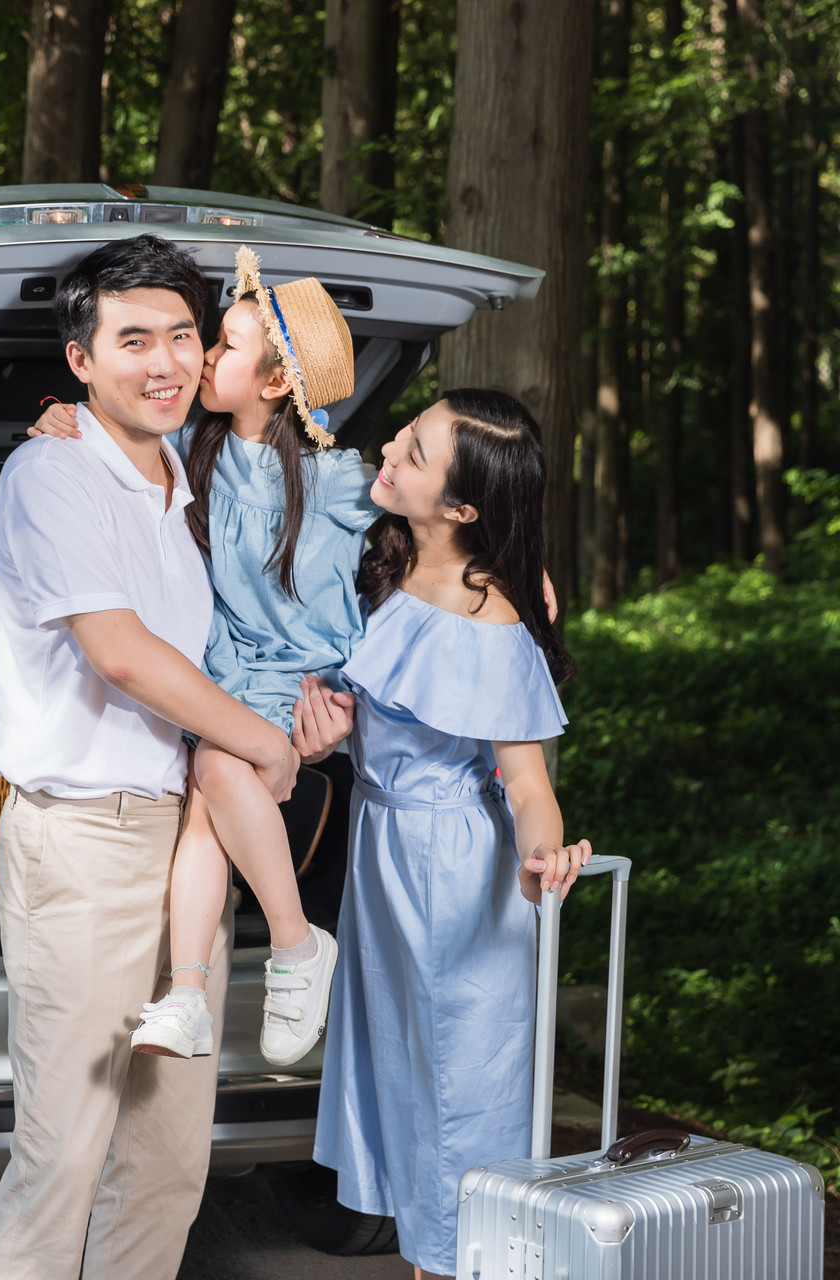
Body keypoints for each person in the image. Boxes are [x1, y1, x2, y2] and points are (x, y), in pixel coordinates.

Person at [0, 234, 316, 1279]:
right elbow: (122, 654)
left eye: (183, 335)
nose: (166, 360)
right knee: (65, 1155)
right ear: (81, 361)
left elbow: (309, 439)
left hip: (183, 844)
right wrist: (259, 739)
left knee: (170, 1161)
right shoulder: (51, 473)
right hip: (81, 846)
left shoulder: (185, 469)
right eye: (134, 339)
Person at [26, 246, 364, 1066]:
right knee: (206, 815)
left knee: (216, 775)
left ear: (277, 383)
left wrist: (505, 563)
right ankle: (191, 992)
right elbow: (115, 451)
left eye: (220, 347)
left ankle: (290, 947)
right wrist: (51, 414)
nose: (199, 359)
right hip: (228, 679)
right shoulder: (193, 455)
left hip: (300, 680)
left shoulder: (340, 479)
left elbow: (435, 529)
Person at [310, 389, 593, 1280]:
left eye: (417, 450)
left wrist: (544, 853)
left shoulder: (492, 617)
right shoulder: (387, 556)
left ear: (464, 508)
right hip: (384, 858)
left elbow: (528, 782)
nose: (390, 446)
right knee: (404, 1086)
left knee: (463, 1100)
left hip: (452, 871)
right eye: (408, 430)